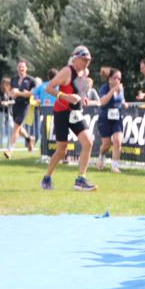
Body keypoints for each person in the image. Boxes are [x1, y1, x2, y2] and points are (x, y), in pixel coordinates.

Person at [40, 46, 97, 191]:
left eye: (88, 61)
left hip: (76, 112)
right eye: (84, 60)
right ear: (76, 58)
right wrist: (65, 97)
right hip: (62, 113)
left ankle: (81, 179)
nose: (86, 63)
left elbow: (83, 86)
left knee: (88, 142)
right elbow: (49, 88)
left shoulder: (85, 72)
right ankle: (47, 177)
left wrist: (84, 96)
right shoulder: (66, 71)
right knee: (61, 150)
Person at [4, 60, 36, 159]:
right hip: (15, 105)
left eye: (23, 67)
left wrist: (20, 93)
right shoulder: (14, 79)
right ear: (17, 68)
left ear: (26, 68)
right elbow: (10, 92)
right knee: (18, 127)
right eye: (19, 67)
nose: (21, 69)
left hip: (24, 105)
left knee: (16, 128)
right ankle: (29, 139)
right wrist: (11, 94)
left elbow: (33, 93)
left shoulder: (31, 80)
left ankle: (10, 150)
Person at [96, 67, 125, 173]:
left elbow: (121, 100)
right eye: (116, 78)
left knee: (117, 141)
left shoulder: (121, 88)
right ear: (110, 79)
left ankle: (115, 166)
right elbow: (102, 102)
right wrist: (113, 90)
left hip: (117, 117)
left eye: (120, 78)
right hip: (105, 118)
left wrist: (124, 104)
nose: (118, 80)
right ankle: (101, 156)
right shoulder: (105, 88)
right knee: (107, 144)